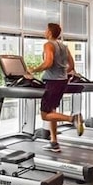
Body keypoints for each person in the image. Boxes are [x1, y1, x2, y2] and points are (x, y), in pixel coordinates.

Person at [26, 23, 84, 152]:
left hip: (52, 82)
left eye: (46, 29)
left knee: (45, 115)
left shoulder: (48, 44)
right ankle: (54, 141)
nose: (44, 31)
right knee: (52, 111)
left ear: (50, 32)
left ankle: (73, 119)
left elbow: (48, 63)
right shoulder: (64, 46)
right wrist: (63, 74)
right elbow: (72, 64)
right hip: (62, 81)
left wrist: (33, 70)